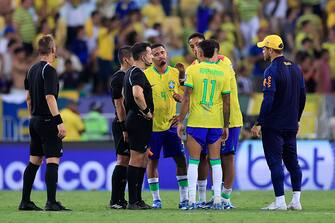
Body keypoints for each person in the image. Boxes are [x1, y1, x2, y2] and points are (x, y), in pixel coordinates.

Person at [251, 35, 306, 211]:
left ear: (271, 50)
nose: (262, 51)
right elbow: (303, 97)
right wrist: (296, 119)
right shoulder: (296, 68)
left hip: (273, 125)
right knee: (293, 163)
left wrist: (259, 122)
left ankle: (280, 202)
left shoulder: (271, 71)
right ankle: (296, 200)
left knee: (275, 163)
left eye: (264, 48)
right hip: (291, 124)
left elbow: (268, 99)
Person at [176, 39, 231, 210]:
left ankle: (192, 200)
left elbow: (186, 98)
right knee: (215, 161)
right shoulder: (223, 72)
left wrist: (181, 120)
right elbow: (227, 102)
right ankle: (217, 200)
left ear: (200, 53)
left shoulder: (193, 70)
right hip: (215, 122)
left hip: (197, 121)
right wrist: (226, 125)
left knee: (193, 161)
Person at [19, 34, 71, 211]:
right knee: (52, 160)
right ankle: (51, 202)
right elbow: (50, 97)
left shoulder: (31, 69)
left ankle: (25, 201)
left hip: (34, 120)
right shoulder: (49, 70)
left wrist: (32, 115)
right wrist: (59, 122)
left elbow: (28, 97)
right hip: (48, 120)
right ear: (53, 50)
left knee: (34, 161)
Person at [144, 43, 188, 209]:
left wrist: (180, 97)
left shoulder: (175, 73)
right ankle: (156, 199)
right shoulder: (146, 75)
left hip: (171, 125)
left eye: (163, 52)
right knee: (152, 162)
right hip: (153, 127)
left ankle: (183, 199)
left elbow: (185, 98)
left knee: (181, 161)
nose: (161, 55)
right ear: (152, 58)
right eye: (156, 54)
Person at [123, 42, 154, 210]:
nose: (152, 57)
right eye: (150, 54)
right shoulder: (137, 73)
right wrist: (147, 111)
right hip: (139, 120)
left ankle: (138, 199)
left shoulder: (130, 72)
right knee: (136, 158)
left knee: (142, 159)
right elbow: (137, 94)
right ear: (143, 57)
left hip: (135, 119)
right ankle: (133, 200)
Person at [109, 46, 134, 209]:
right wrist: (124, 126)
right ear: (126, 59)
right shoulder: (119, 78)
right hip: (121, 123)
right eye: (134, 57)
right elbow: (119, 104)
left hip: (130, 123)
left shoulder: (131, 75)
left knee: (129, 160)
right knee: (122, 160)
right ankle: (115, 199)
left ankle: (122, 199)